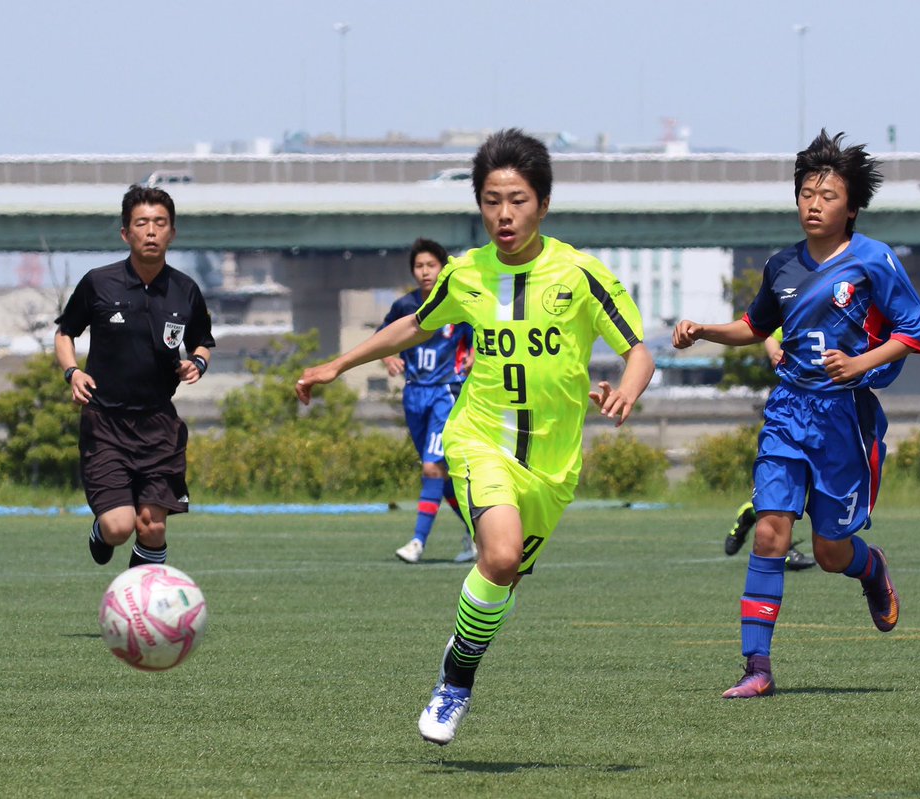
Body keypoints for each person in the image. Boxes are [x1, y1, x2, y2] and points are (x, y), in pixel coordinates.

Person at [297, 128, 654, 745]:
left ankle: (462, 648)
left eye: (516, 199)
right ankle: (455, 683)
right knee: (500, 554)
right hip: (478, 438)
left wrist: (627, 387)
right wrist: (337, 364)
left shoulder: (581, 274)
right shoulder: (466, 275)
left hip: (551, 465)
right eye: (491, 200)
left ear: (542, 202)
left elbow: (640, 351)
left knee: (503, 576)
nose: (504, 214)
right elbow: (412, 323)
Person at [673, 130, 920, 698]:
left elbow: (918, 334)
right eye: (806, 193)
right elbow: (755, 327)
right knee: (769, 533)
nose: (813, 204)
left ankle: (871, 569)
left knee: (828, 552)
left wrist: (861, 361)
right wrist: (704, 331)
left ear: (852, 207)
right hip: (788, 412)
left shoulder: (874, 260)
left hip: (844, 420)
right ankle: (757, 667)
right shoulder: (781, 266)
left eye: (827, 195)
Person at [54, 184, 214, 569]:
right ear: (126, 233)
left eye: (160, 223)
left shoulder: (186, 290)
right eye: (142, 223)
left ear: (172, 232)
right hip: (106, 421)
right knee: (119, 527)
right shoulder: (98, 283)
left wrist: (198, 362)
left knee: (152, 527)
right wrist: (72, 372)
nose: (151, 231)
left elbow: (203, 342)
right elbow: (65, 333)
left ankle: (145, 612)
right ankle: (100, 531)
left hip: (159, 424)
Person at [381, 239, 477, 565]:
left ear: (442, 269)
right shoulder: (404, 307)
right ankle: (478, 533)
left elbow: (478, 332)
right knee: (441, 474)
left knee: (432, 468)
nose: (425, 272)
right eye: (419, 266)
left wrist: (476, 353)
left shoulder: (456, 303)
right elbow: (386, 337)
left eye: (431, 266)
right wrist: (390, 357)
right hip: (414, 394)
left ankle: (418, 543)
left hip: (446, 392)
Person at [724, 331, 816, 569]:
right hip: (793, 411)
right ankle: (781, 549)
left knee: (809, 488)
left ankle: (751, 514)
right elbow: (769, 330)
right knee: (788, 486)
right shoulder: (800, 300)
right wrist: (774, 351)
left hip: (831, 412)